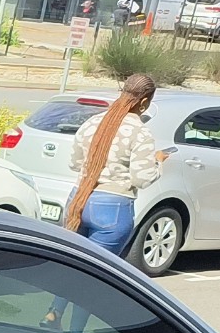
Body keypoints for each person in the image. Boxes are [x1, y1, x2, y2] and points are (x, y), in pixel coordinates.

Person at [62, 71, 165, 259]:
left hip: (77, 201)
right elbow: (142, 179)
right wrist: (158, 161)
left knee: (70, 265)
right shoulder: (140, 132)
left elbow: (75, 164)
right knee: (98, 269)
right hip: (113, 207)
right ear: (144, 102)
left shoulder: (92, 122)